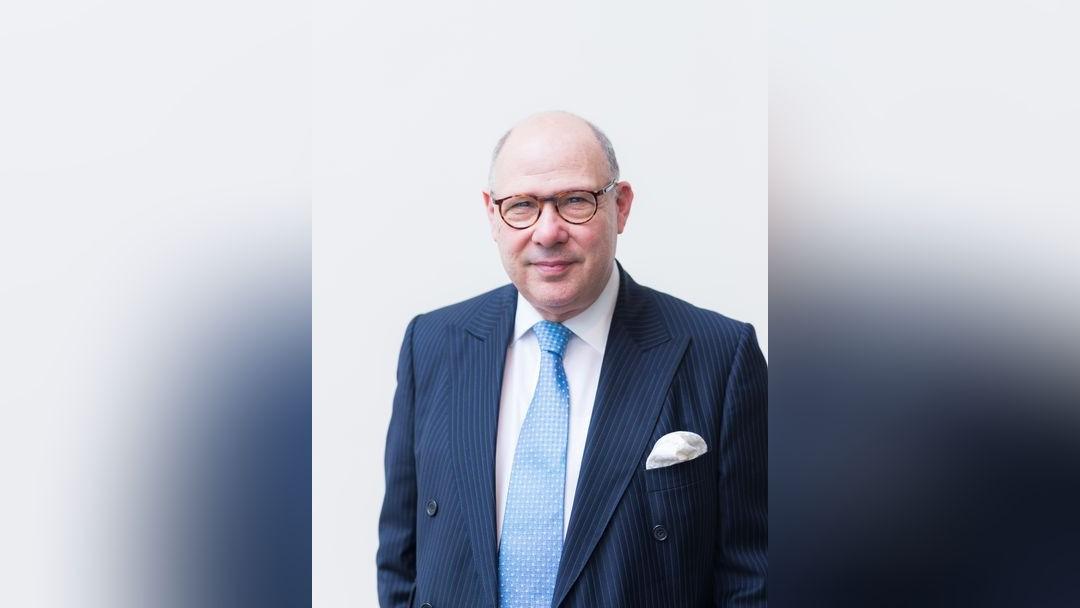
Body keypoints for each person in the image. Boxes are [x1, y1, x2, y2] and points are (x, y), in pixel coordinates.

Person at [377, 111, 767, 607]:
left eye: (575, 201)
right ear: (492, 215)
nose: (547, 232)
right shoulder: (432, 344)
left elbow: (752, 579)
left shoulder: (721, 357)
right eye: (522, 205)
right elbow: (402, 557)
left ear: (621, 206)